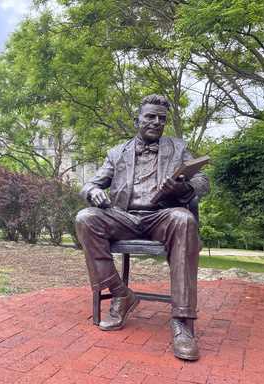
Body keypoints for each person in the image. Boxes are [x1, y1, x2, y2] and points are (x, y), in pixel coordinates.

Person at [75, 94, 209, 361]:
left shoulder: (178, 148)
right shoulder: (117, 153)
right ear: (137, 119)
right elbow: (90, 184)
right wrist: (94, 193)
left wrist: (183, 187)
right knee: (85, 218)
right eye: (150, 116)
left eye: (161, 118)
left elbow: (203, 182)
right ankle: (121, 294)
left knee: (184, 219)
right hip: (124, 217)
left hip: (162, 217)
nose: (156, 122)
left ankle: (182, 322)